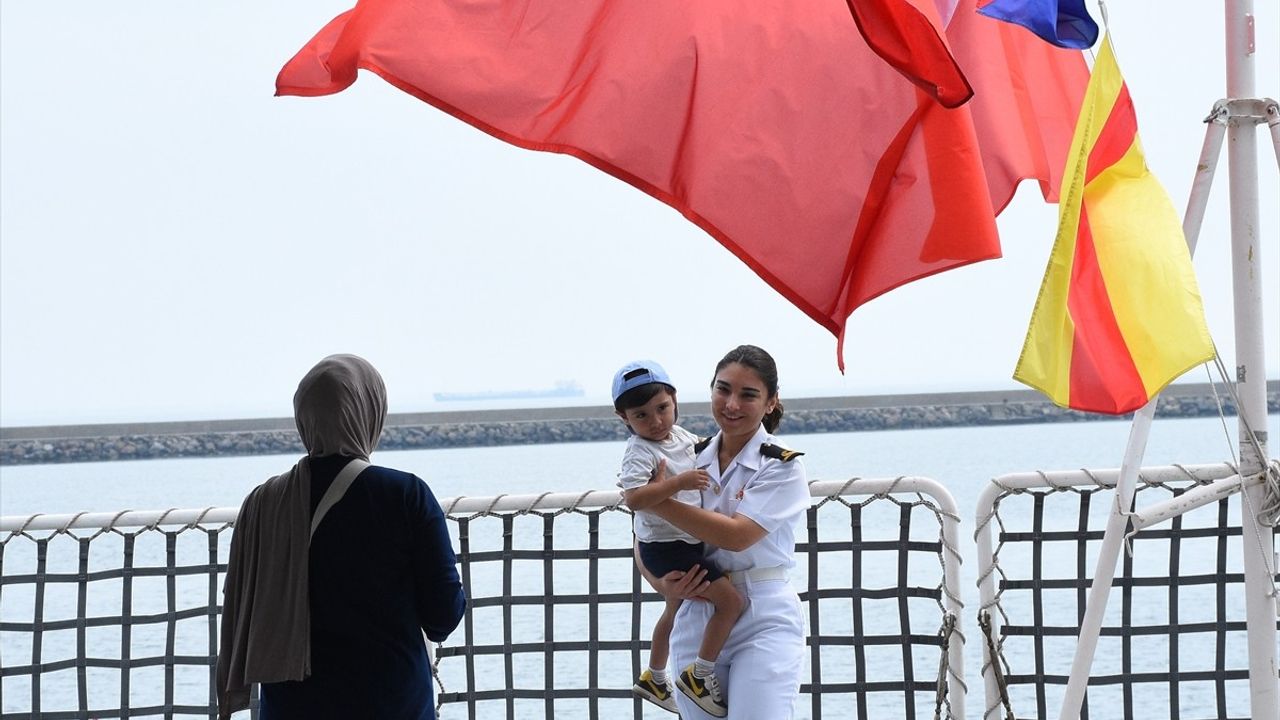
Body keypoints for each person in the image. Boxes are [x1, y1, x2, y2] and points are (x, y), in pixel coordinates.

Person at [216, 354, 466, 719]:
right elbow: (443, 616)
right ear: (370, 411)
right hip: (389, 705)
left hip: (291, 709)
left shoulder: (262, 503)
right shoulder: (405, 495)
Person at [645, 345, 809, 719]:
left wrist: (656, 499)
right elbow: (645, 535)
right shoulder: (687, 458)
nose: (732, 404)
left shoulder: (781, 466)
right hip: (697, 607)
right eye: (723, 389)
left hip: (762, 612)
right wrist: (661, 585)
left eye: (748, 394)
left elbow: (737, 536)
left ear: (770, 403)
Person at [612, 360, 744, 717]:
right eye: (641, 416)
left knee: (675, 605)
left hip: (680, 543)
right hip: (666, 547)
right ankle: (700, 674)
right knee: (730, 603)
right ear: (624, 418)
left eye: (662, 409)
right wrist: (677, 484)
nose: (655, 422)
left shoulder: (682, 438)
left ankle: (654, 675)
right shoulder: (640, 450)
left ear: (674, 399)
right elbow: (634, 498)